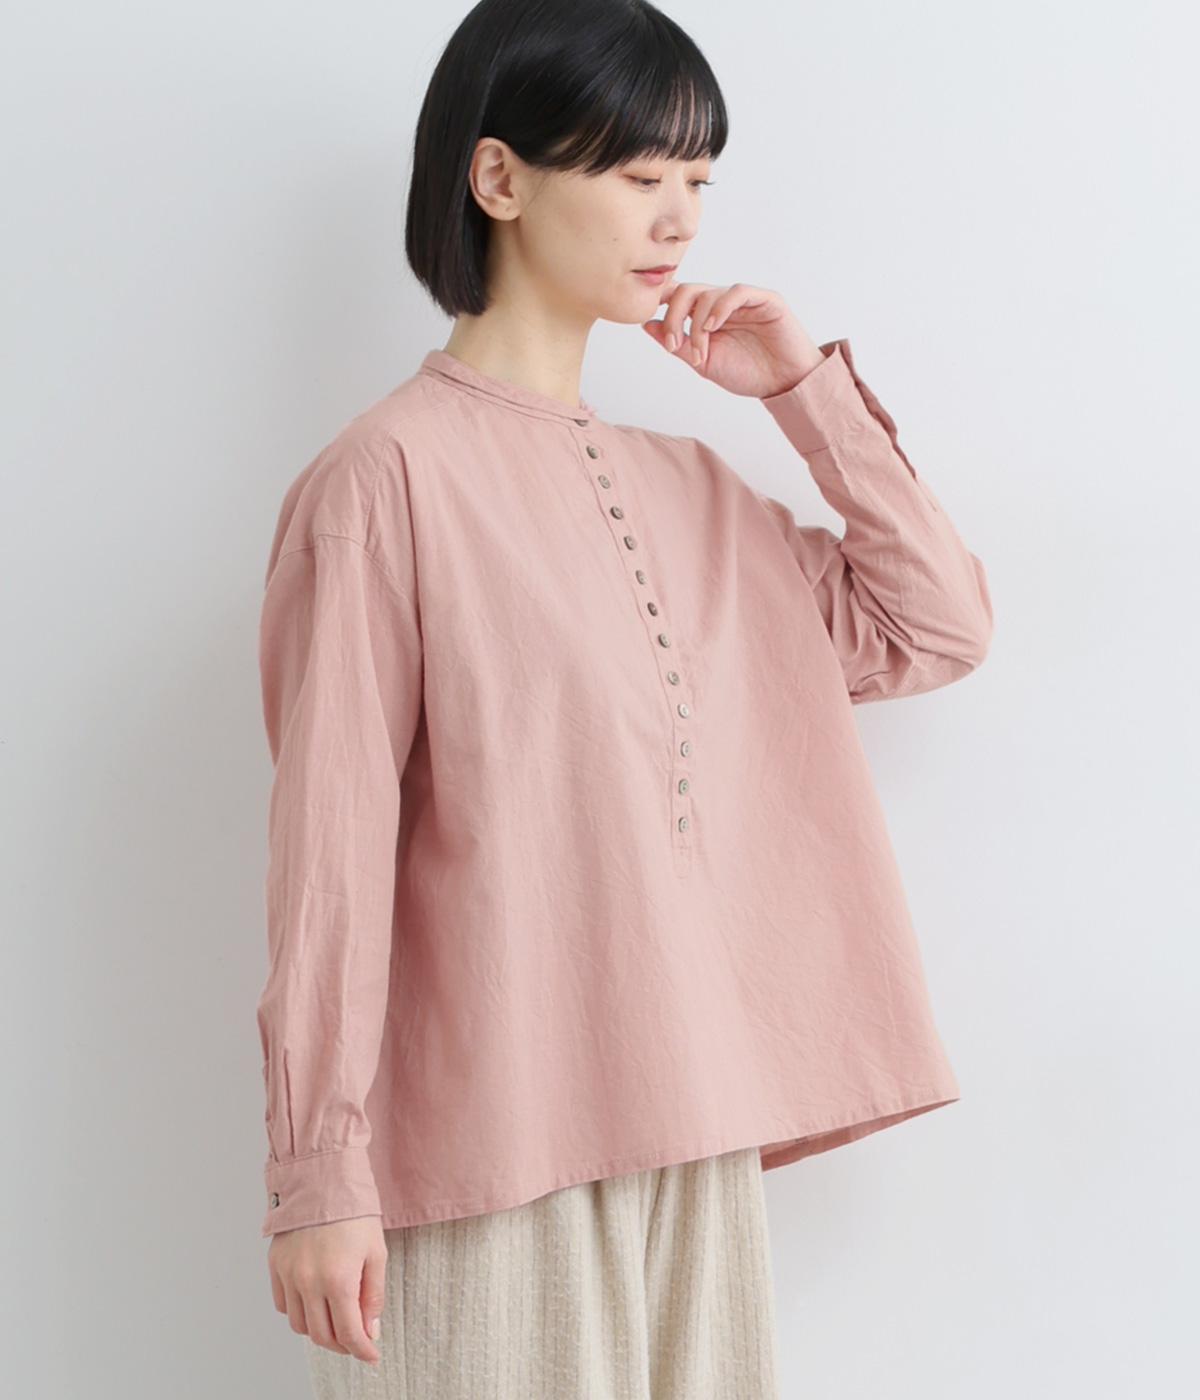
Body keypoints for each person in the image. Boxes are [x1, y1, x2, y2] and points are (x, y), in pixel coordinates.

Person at [253, 2, 994, 1396]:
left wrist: (803, 393)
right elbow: (329, 867)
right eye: (642, 175)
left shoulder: (696, 491)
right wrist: (317, 1173)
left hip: (696, 1137)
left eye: (699, 180)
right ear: (499, 177)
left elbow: (937, 625)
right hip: (486, 1158)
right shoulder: (382, 483)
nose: (680, 220)